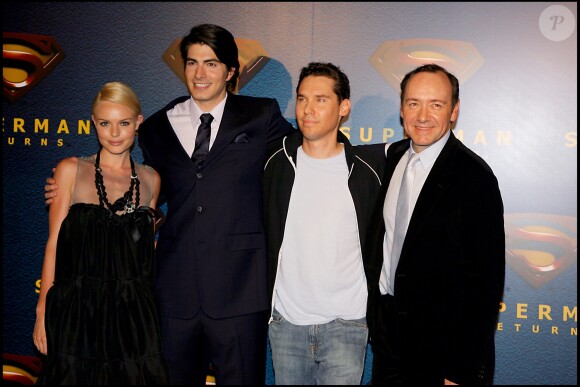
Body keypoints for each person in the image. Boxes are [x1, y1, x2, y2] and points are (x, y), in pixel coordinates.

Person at [45, 24, 294, 385]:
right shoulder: (157, 127)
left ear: (231, 71)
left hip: (239, 291)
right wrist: (69, 185)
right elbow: (138, 192)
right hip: (172, 293)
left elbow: (304, 155)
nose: (199, 73)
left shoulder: (260, 115)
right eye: (192, 63)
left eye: (211, 63)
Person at [367, 63, 505, 385]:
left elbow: (486, 285)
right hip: (389, 341)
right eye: (414, 103)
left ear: (454, 111)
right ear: (402, 109)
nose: (423, 116)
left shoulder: (474, 177)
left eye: (436, 104)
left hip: (443, 351)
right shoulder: (393, 158)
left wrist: (460, 370)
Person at [33, 81, 170, 384]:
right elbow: (54, 243)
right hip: (78, 311)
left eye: (123, 123)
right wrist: (42, 310)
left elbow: (143, 251)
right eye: (105, 123)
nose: (115, 132)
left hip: (132, 314)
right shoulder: (70, 170)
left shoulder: (150, 179)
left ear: (138, 123)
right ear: (93, 123)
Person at [262, 62, 386, 384]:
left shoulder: (368, 169)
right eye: (302, 99)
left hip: (347, 325)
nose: (308, 109)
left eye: (320, 99)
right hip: (287, 324)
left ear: (343, 107)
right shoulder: (274, 163)